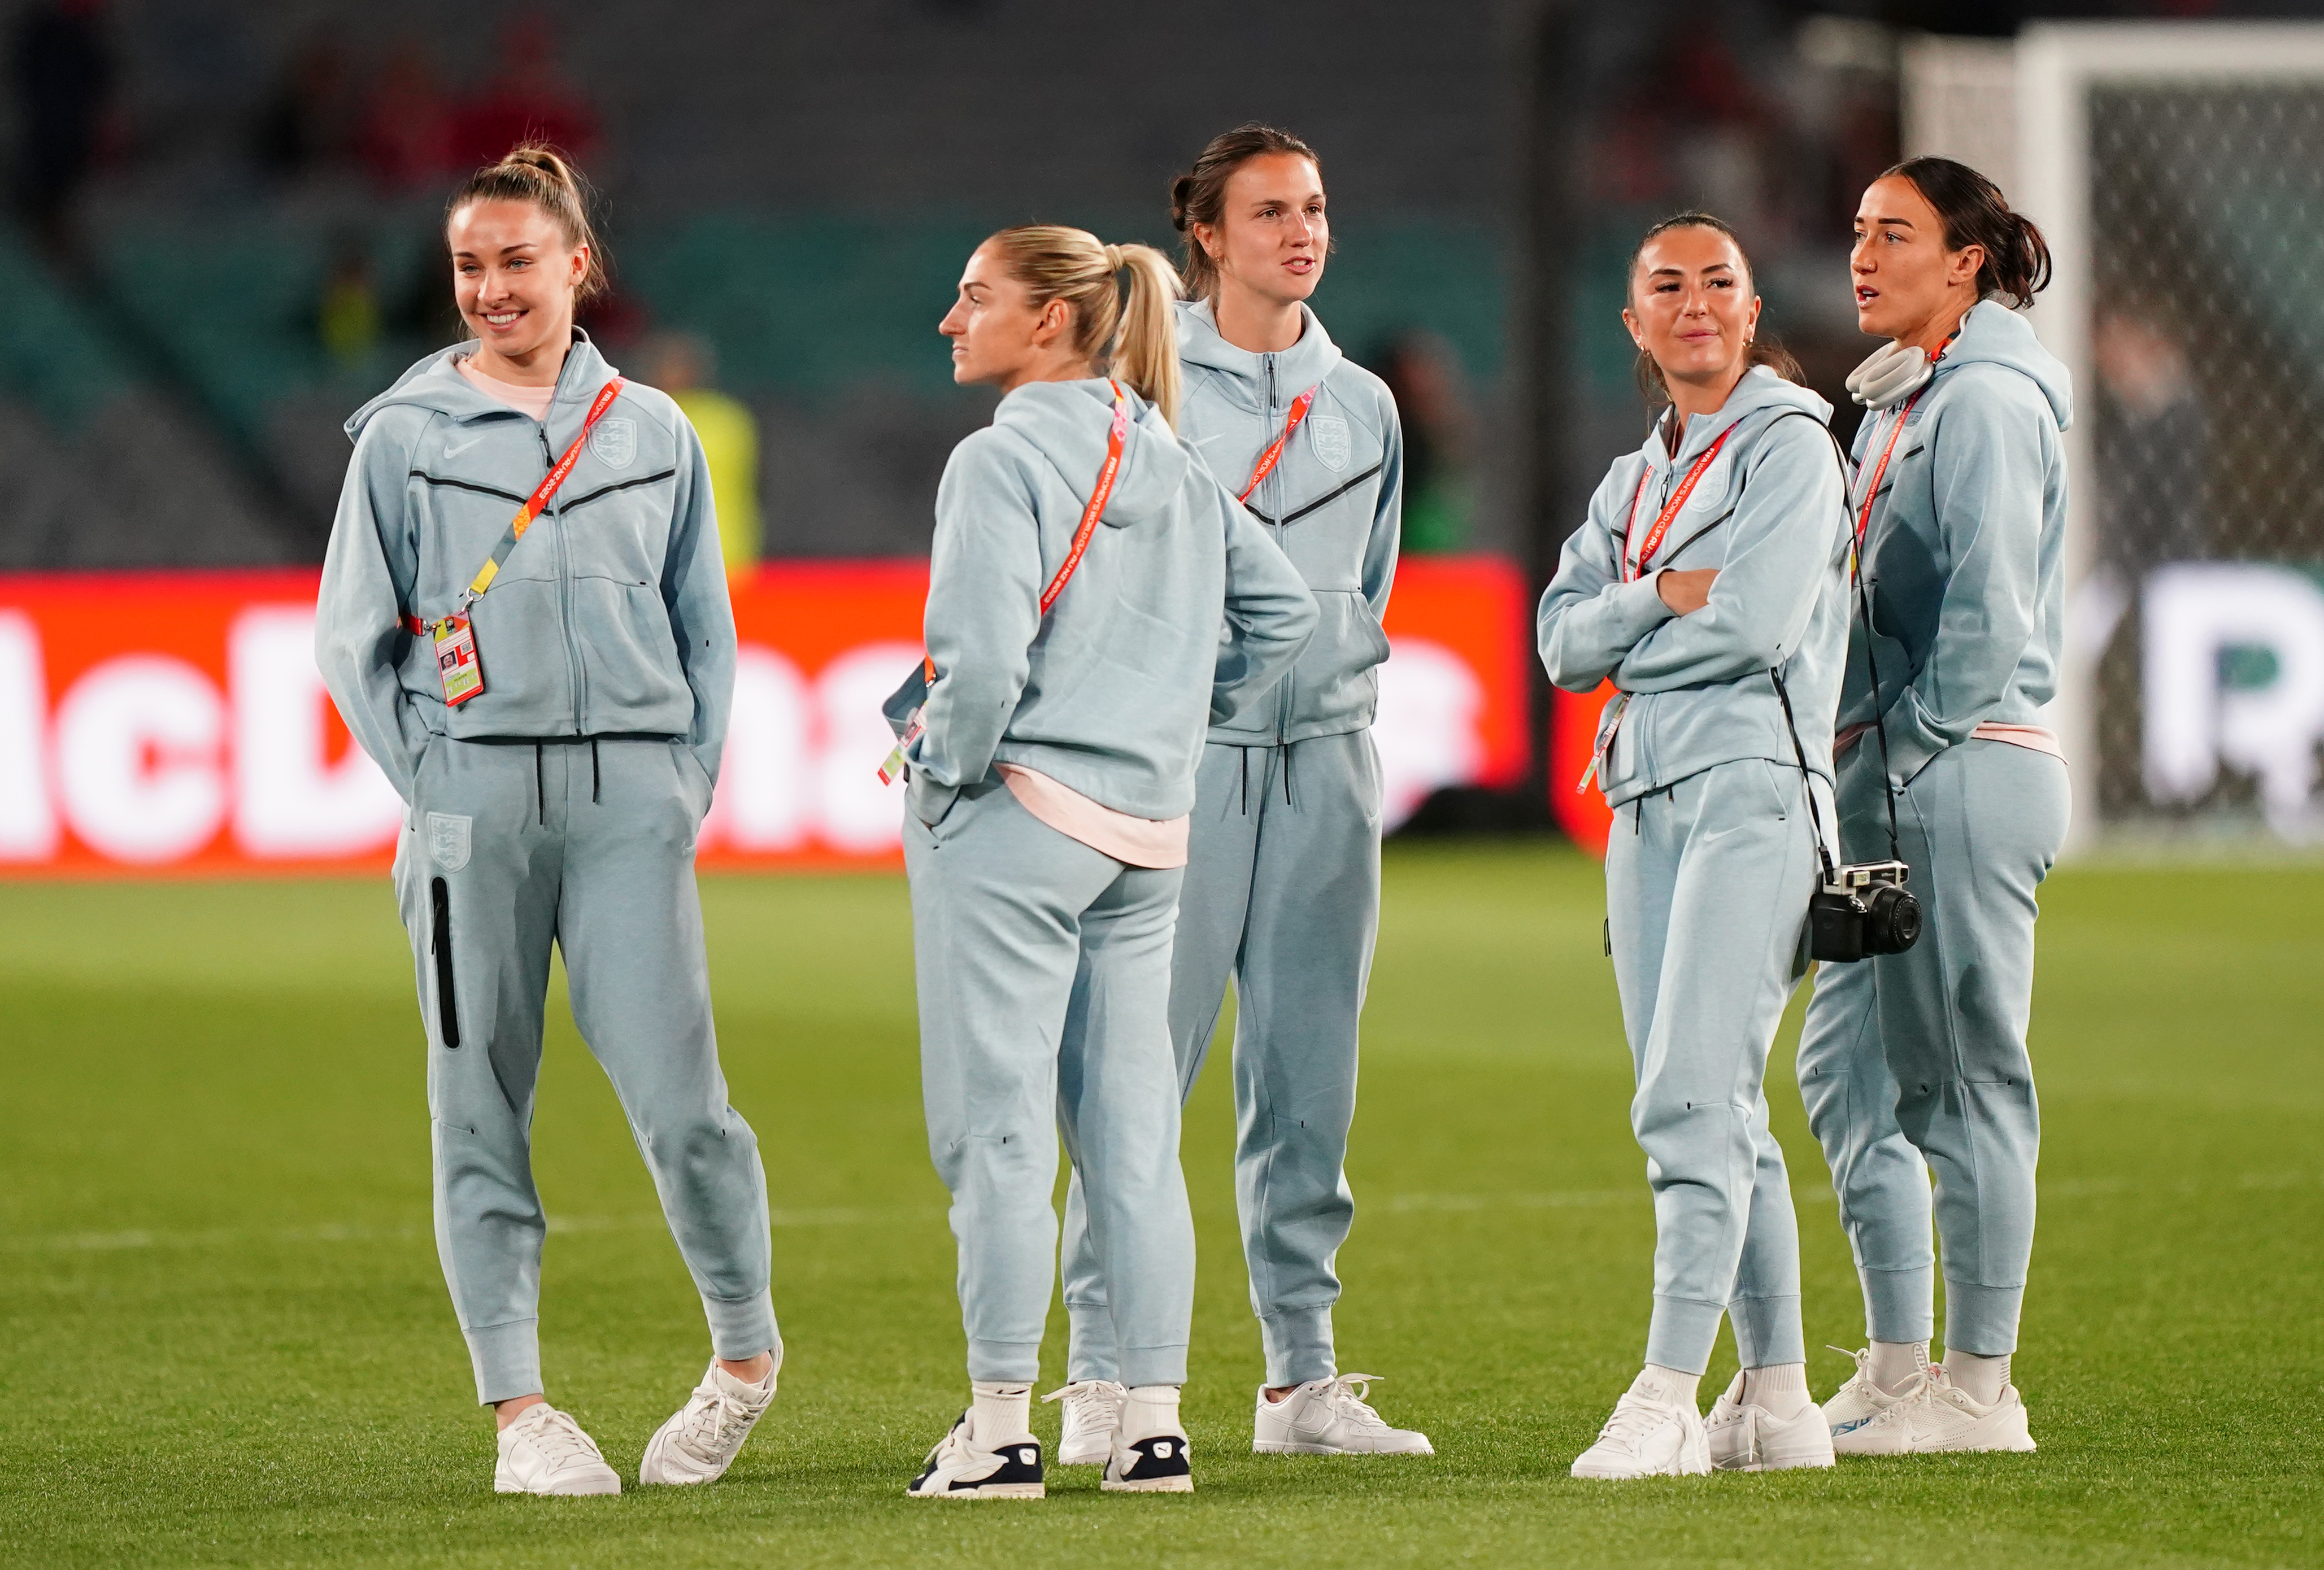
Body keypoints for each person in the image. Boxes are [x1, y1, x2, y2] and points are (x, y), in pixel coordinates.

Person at [315, 145, 781, 1497]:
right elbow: (353, 640)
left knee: (687, 1110)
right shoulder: (402, 436)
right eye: (469, 265)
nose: (490, 288)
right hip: (472, 808)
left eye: (516, 260)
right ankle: (520, 1413)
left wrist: (682, 782)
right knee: (476, 1109)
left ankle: (744, 1360)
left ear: (578, 264)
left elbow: (706, 630)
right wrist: (436, 780)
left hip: (631, 802)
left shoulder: (656, 432)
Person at [896, 224, 1316, 1501]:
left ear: (1050, 321)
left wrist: (941, 777)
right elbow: (1285, 613)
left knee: (997, 1135)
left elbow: (978, 665)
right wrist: (1165, 715)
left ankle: (998, 1430)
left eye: (973, 295)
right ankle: (1150, 1429)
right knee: (1134, 1144)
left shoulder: (996, 458)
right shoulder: (1166, 454)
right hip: (1147, 833)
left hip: (1021, 820)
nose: (949, 318)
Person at [1050, 123, 1430, 1466]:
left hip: (1327, 762)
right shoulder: (1141, 387)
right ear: (1204, 236)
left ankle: (1300, 1383)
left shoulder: (1366, 404)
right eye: (1269, 211)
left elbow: (1365, 588)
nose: (1300, 231)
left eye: (1312, 207)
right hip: (1183, 766)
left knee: (1309, 1084)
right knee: (1133, 1079)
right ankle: (1100, 1374)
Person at [1538, 212, 1851, 1479]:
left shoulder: (1791, 446)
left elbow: (1758, 624)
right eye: (1666, 286)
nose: (1695, 303)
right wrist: (1659, 597)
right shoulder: (1632, 478)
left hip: (1752, 789)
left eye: (1717, 281)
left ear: (1750, 308)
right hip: (1643, 799)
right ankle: (1776, 1403)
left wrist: (1629, 636)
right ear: (1635, 322)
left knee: (1686, 1099)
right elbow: (1558, 645)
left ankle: (1666, 1393)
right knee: (1718, 1106)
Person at [1797, 157, 2071, 1455]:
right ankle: (1896, 1368)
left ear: (1964, 261)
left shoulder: (1987, 402)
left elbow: (1988, 609)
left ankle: (1978, 1390)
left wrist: (1901, 752)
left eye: (1894, 234)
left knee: (1960, 1082)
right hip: (1891, 776)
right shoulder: (1910, 395)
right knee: (1845, 1074)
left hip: (1954, 768)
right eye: (1857, 231)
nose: (1861, 255)